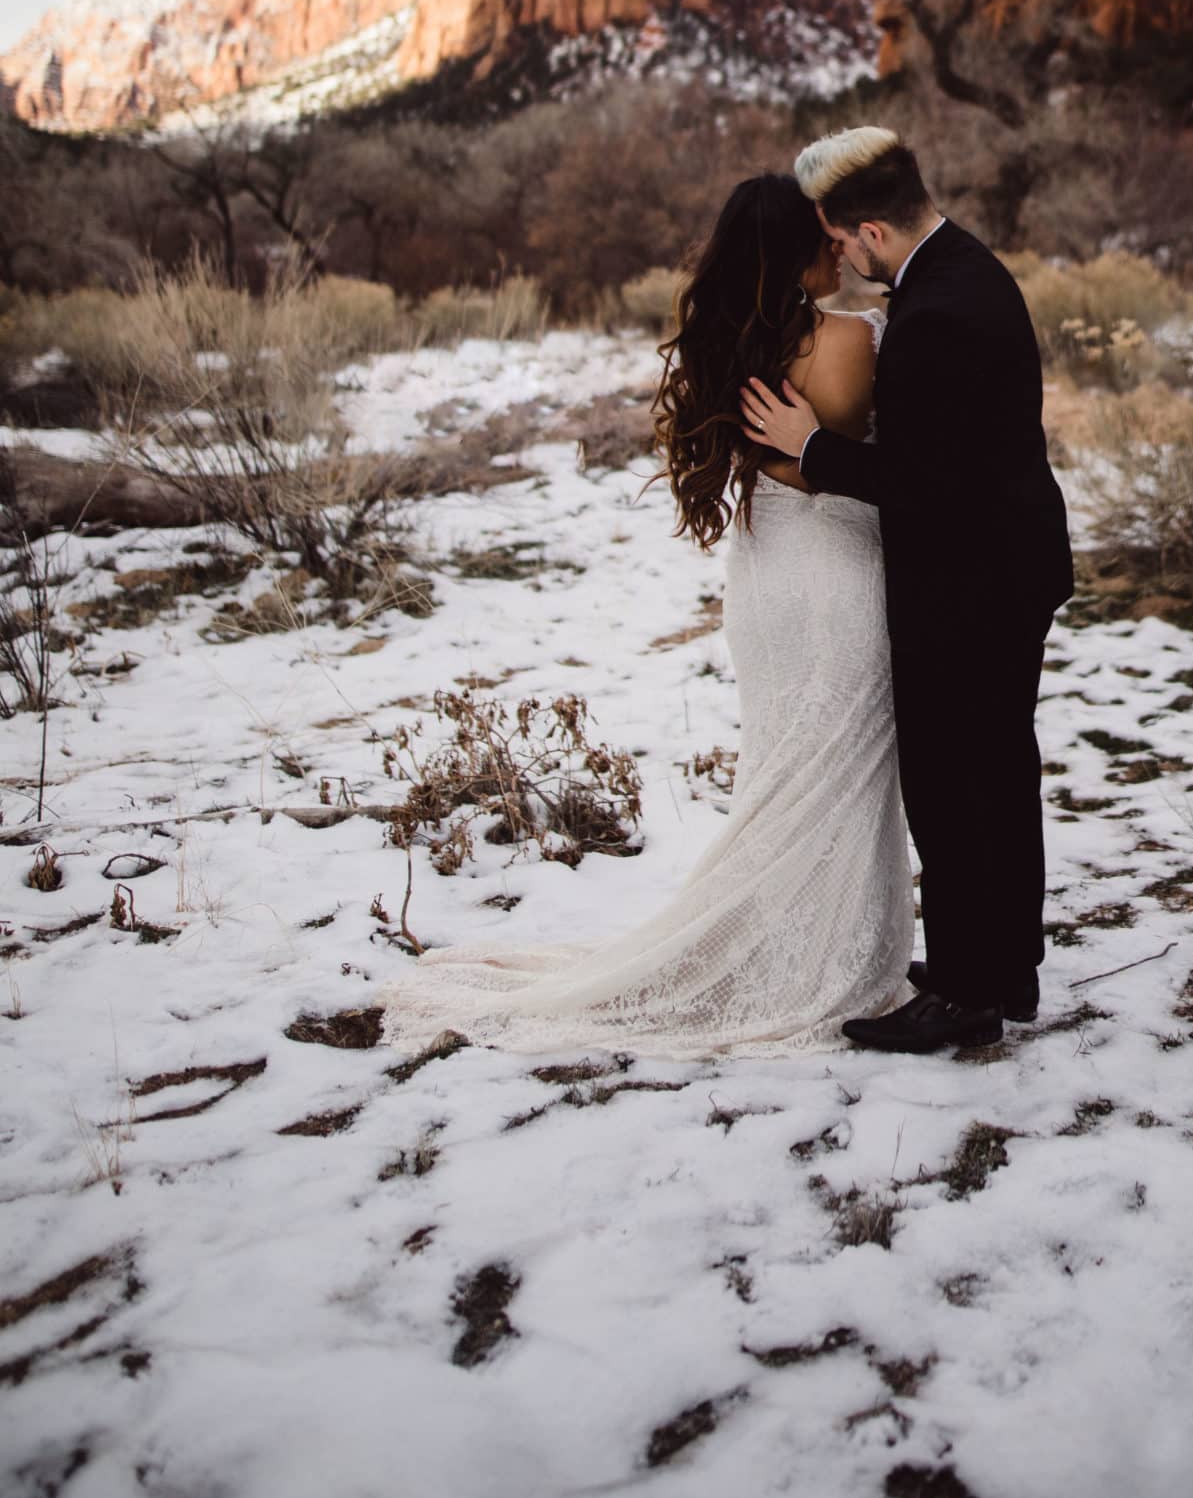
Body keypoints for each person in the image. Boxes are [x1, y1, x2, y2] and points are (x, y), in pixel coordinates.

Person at [375, 173, 913, 1060]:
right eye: (821, 238)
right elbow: (850, 460)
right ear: (792, 249)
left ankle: (792, 941)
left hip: (765, 573)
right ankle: (820, 962)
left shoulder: (724, 344)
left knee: (790, 763)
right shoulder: (854, 338)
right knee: (839, 766)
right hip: (836, 566)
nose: (835, 251)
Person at [742, 128, 1074, 1055]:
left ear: (874, 229)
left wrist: (811, 449)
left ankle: (968, 994)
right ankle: (1002, 965)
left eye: (843, 240)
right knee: (999, 776)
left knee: (954, 785)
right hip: (1006, 565)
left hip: (969, 583)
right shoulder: (966, 269)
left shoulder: (936, 314)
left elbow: (924, 482)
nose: (839, 255)